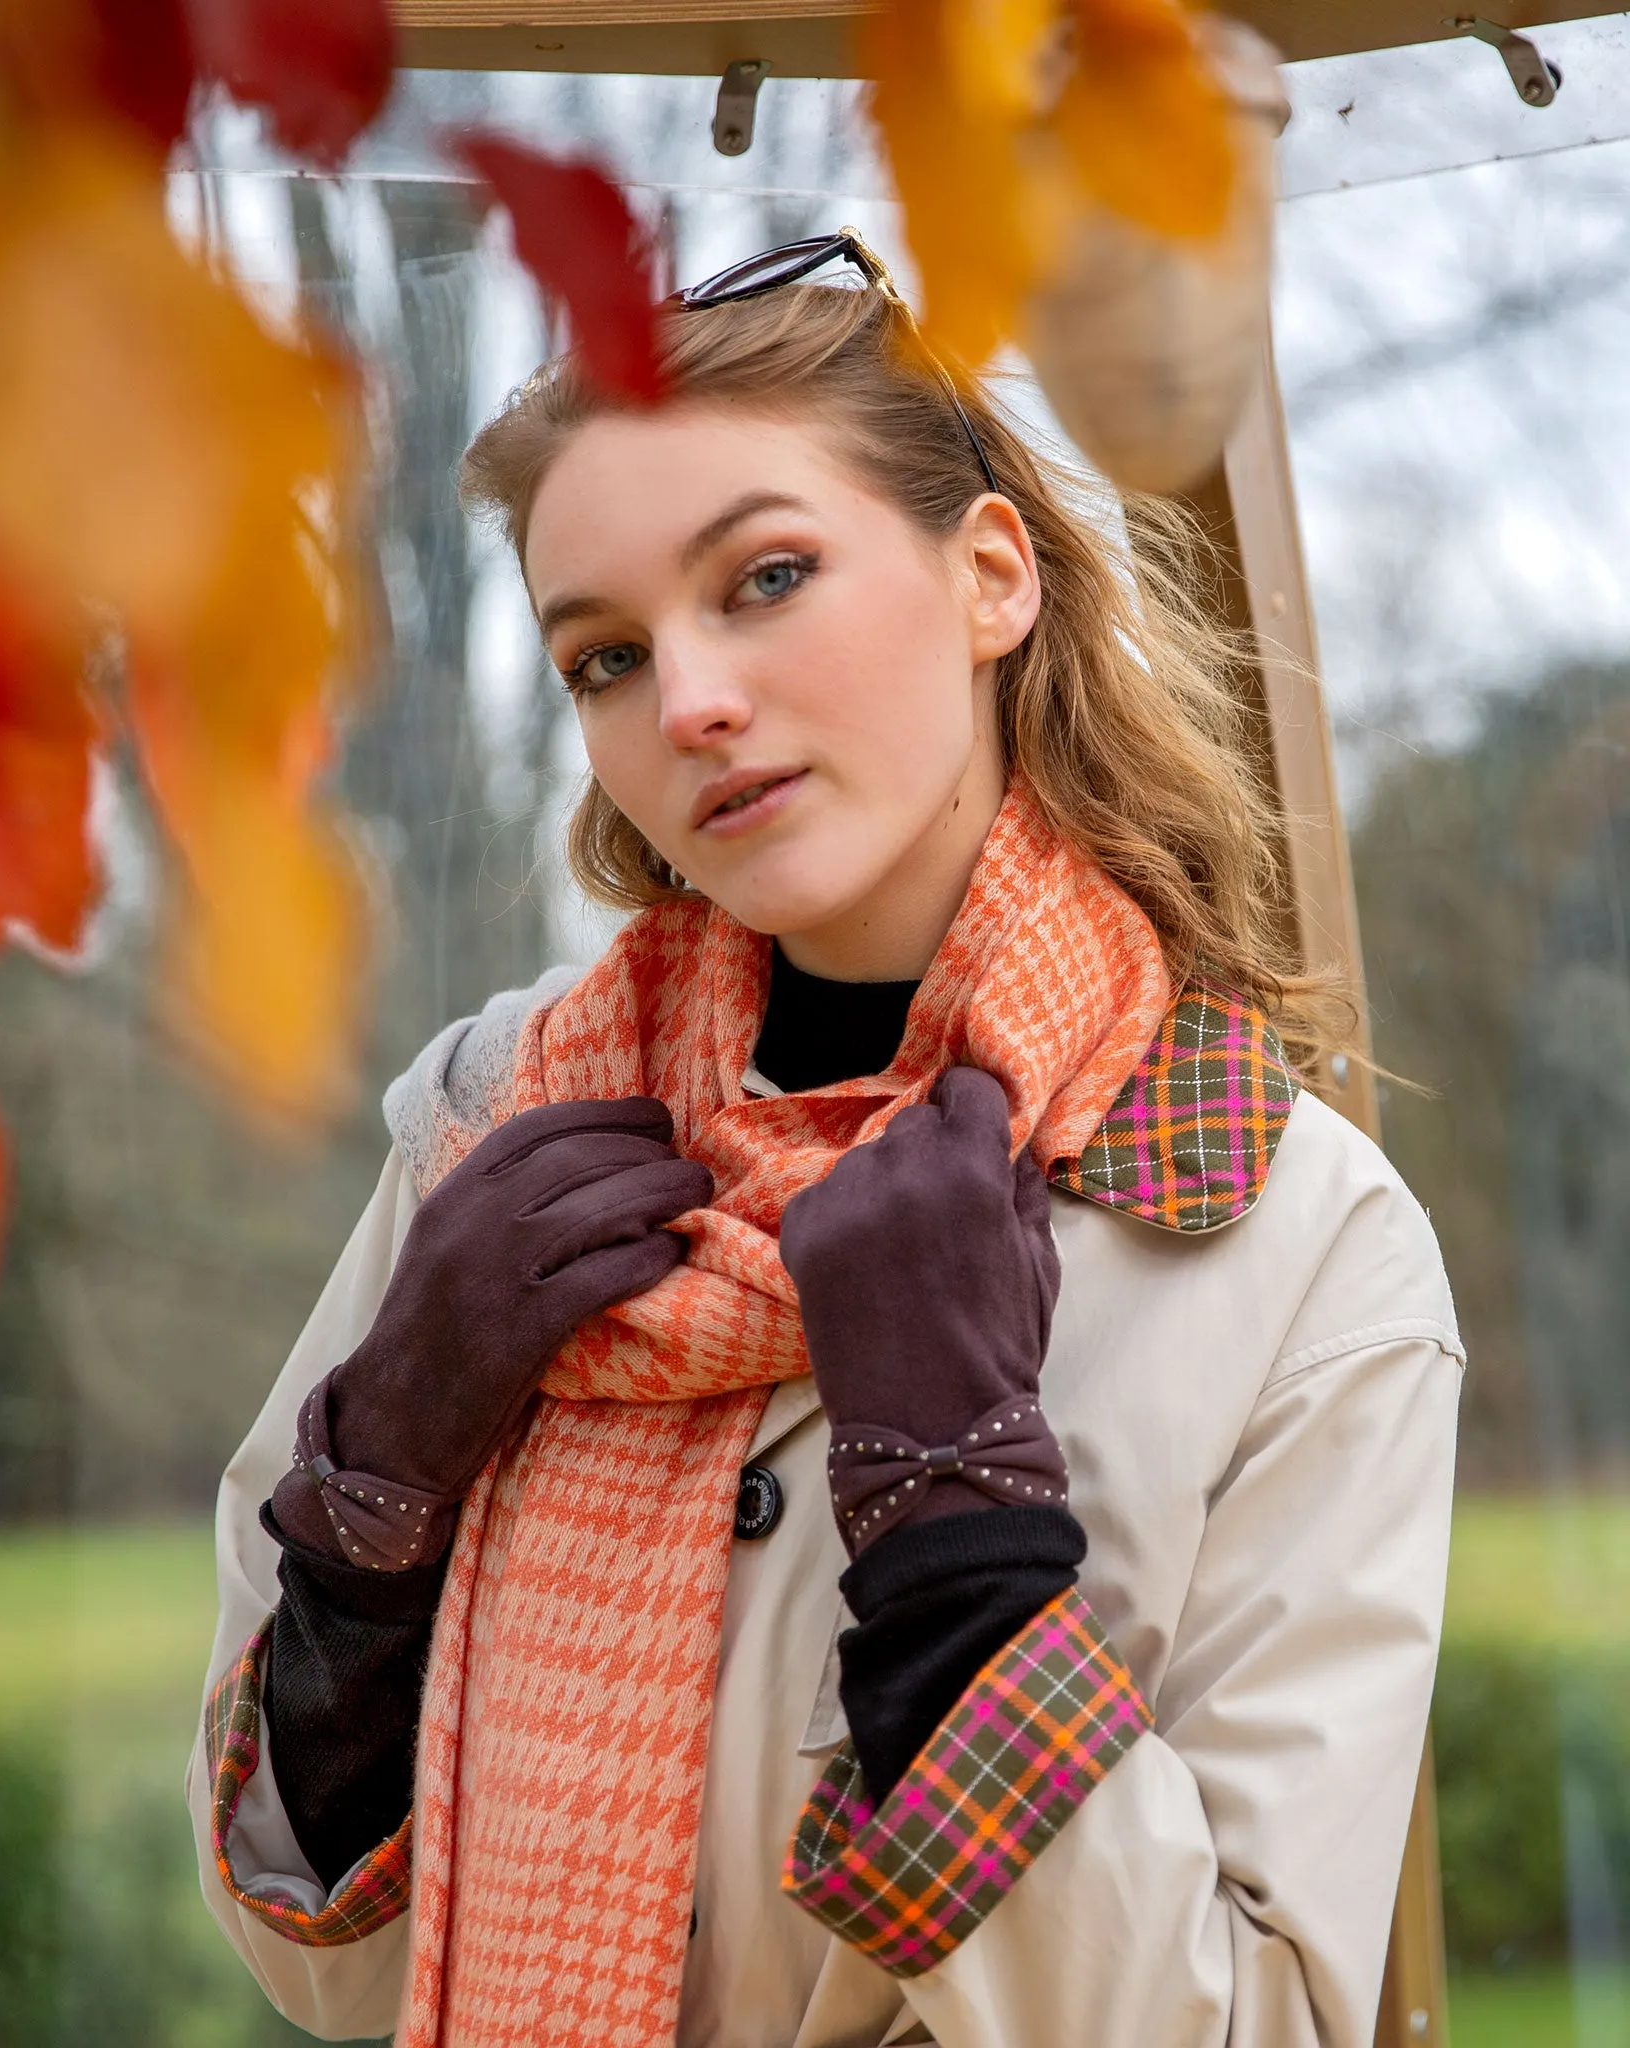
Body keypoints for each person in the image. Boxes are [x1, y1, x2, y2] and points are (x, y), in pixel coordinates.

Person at [186, 233, 1461, 2048]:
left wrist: (958, 1523)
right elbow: (330, 1958)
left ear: (991, 575)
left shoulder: (1286, 1239)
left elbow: (1254, 2024)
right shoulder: (491, 1134)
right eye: (605, 656)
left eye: (765, 577)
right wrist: (375, 1500)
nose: (687, 699)